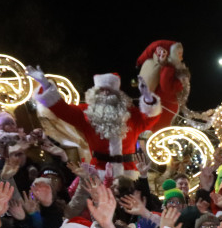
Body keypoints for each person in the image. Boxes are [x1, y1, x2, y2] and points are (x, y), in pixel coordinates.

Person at [29, 67, 167, 178]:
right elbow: (62, 109)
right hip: (99, 173)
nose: (105, 94)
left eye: (110, 91)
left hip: (128, 173)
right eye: (102, 91)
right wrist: (46, 85)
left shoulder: (130, 114)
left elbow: (150, 118)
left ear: (118, 94)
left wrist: (148, 99)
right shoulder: (86, 114)